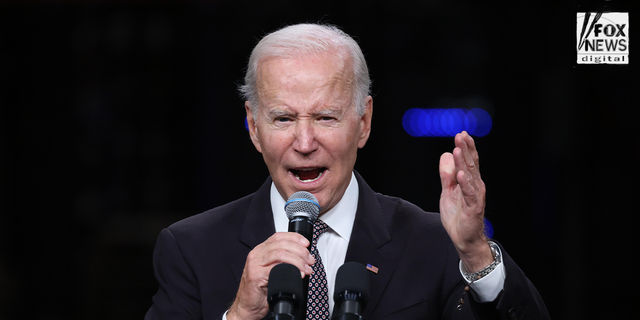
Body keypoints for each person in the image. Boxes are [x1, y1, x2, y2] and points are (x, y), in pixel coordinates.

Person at [145, 23, 550, 320]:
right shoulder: (190, 249)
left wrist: (476, 253)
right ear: (253, 127)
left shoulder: (435, 244)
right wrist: (237, 316)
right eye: (283, 119)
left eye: (325, 117)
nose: (304, 142)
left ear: (363, 122)